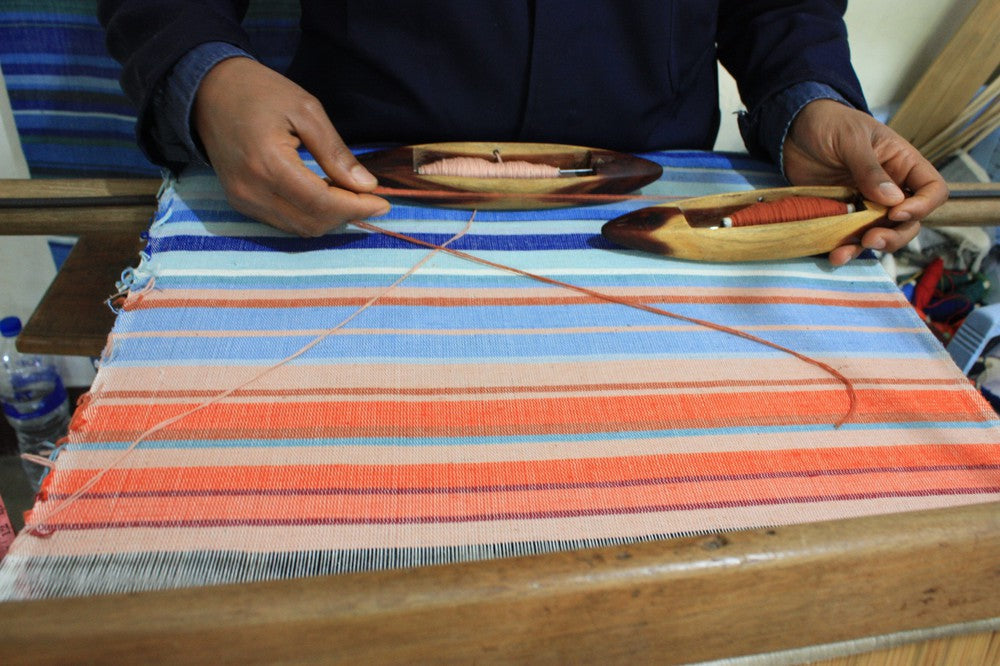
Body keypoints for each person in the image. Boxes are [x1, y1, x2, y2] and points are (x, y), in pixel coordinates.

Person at [98, 1, 947, 265]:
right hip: (341, 191)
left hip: (664, 197)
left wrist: (806, 97)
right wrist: (208, 76)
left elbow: (779, 6)